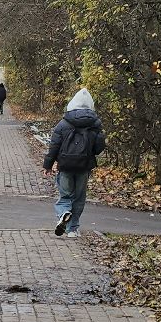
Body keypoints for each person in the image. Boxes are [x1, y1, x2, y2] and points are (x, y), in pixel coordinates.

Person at [42, 87, 106, 238]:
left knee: (65, 196)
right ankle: (73, 229)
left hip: (65, 166)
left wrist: (48, 165)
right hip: (84, 167)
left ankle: (64, 213)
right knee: (79, 197)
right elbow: (98, 149)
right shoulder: (95, 124)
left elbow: (54, 146)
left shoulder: (64, 123)